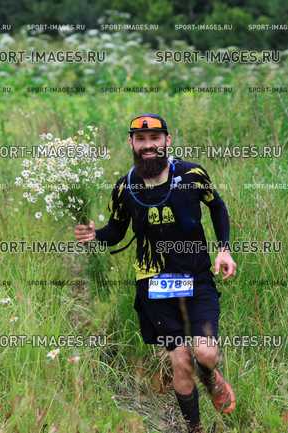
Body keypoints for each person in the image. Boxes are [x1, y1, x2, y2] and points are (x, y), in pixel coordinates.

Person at [74, 114, 237, 433]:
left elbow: (217, 207)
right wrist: (95, 235)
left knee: (206, 353)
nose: (148, 145)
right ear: (131, 143)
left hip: (197, 278)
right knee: (181, 361)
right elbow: (116, 231)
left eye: (155, 139)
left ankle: (210, 376)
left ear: (167, 141)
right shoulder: (125, 187)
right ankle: (194, 428)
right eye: (141, 140)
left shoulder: (191, 174)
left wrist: (224, 249)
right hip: (154, 284)